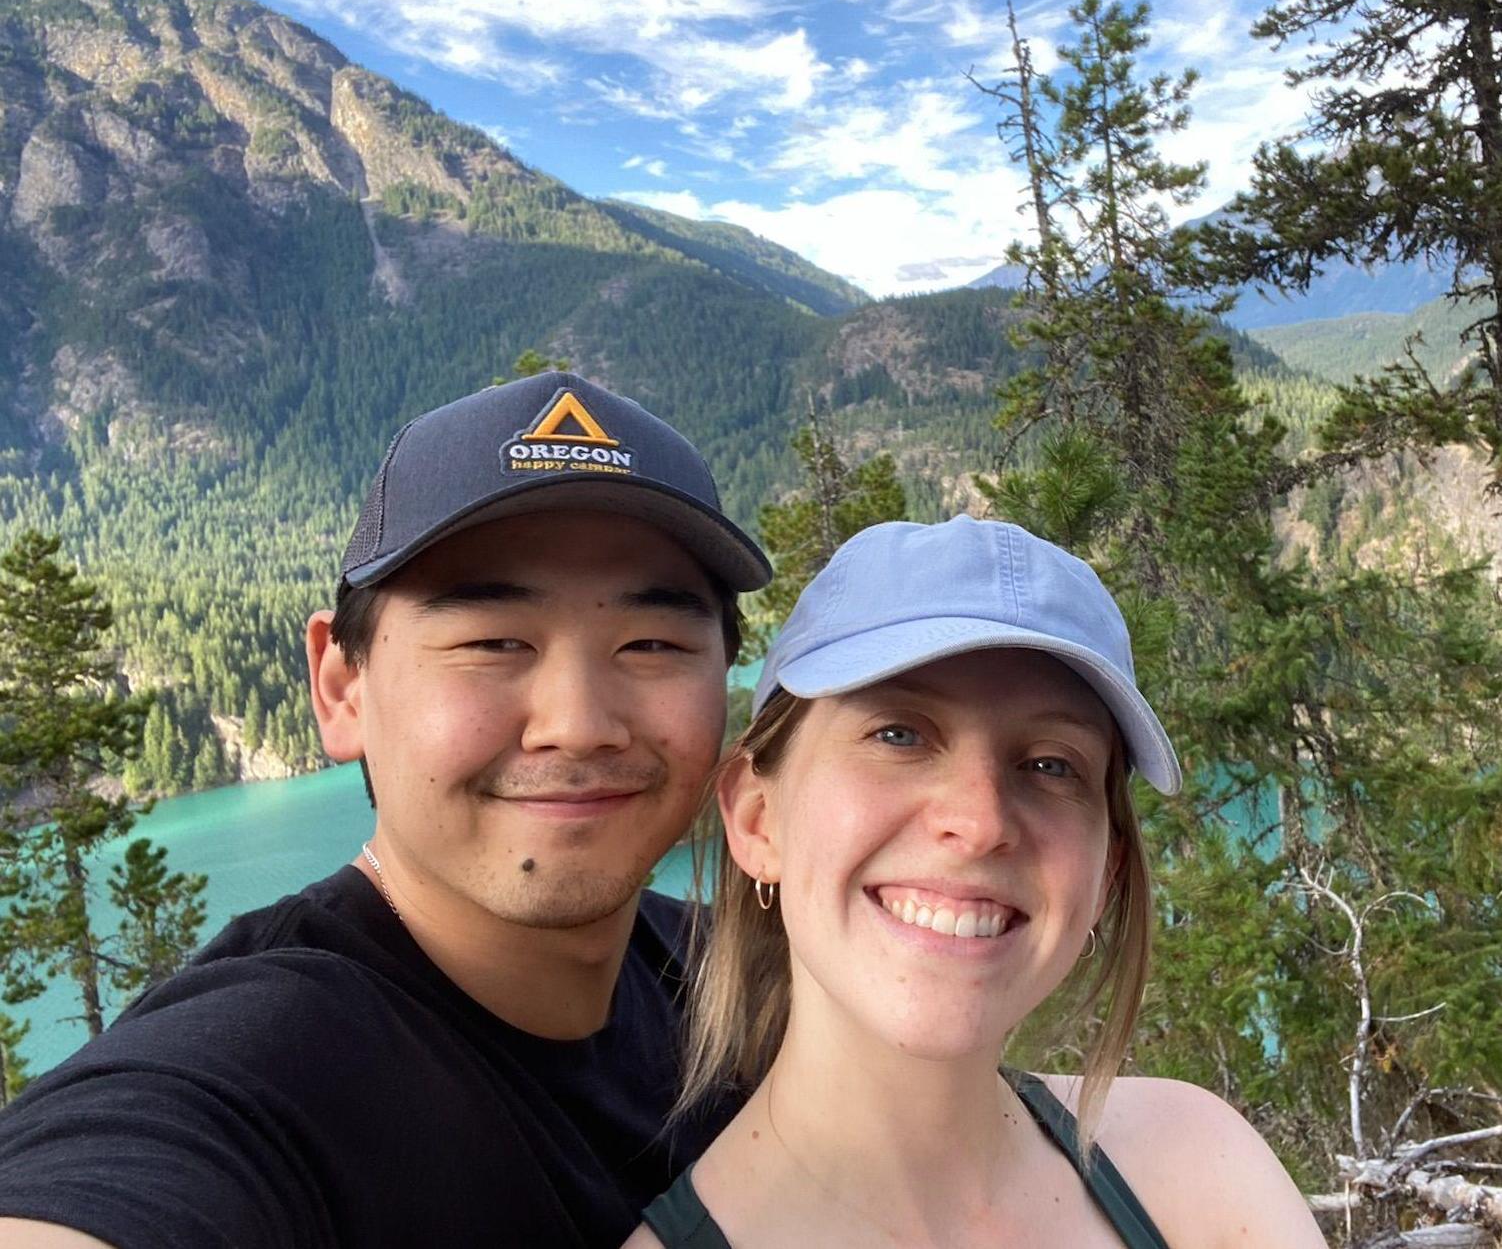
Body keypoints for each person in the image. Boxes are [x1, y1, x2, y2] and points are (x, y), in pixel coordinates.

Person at [0, 371, 771, 1249]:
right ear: (341, 687)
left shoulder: (732, 977)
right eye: (492, 643)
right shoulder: (266, 1064)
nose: (578, 725)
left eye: (653, 644)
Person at [628, 516, 1326, 1249]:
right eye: (899, 733)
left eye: (1052, 763)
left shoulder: (1199, 1169)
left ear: (1105, 870)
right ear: (758, 817)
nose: (981, 819)